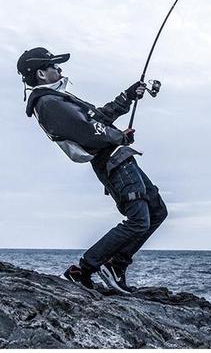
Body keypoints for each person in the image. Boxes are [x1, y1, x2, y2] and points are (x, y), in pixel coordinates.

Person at [16, 47, 168, 293]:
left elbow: (98, 118)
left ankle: (115, 267)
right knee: (139, 220)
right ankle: (84, 269)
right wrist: (119, 136)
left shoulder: (58, 99)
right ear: (42, 74)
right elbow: (89, 133)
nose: (60, 69)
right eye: (54, 66)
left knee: (157, 211)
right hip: (112, 161)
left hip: (120, 159)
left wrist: (127, 96)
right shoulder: (48, 103)